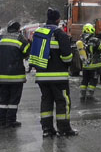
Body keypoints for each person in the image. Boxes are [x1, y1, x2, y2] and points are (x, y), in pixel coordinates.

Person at [29, 8, 77, 138]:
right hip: (58, 77)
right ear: (58, 19)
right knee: (62, 102)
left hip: (41, 76)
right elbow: (67, 57)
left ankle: (47, 129)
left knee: (46, 101)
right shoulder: (59, 33)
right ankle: (64, 128)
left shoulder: (38, 33)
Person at [0, 20, 30, 128]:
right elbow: (26, 53)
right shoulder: (20, 38)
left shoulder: (2, 38)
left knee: (3, 99)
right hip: (15, 75)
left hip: (2, 74)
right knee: (13, 99)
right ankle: (11, 120)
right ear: (18, 29)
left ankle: (2, 120)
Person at [79, 23, 101, 100]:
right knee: (93, 80)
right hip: (95, 65)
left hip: (85, 66)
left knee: (85, 79)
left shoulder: (82, 40)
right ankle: (90, 94)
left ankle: (82, 93)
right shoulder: (95, 40)